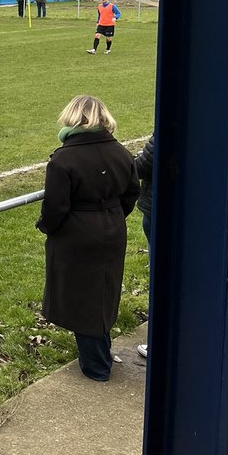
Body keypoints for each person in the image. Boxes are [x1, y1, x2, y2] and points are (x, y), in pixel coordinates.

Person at [36, 95, 139, 382]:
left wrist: (47, 227)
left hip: (77, 237)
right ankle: (99, 355)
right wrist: (112, 216)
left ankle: (96, 366)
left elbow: (55, 207)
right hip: (112, 230)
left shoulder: (63, 159)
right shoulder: (121, 153)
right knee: (103, 293)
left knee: (82, 299)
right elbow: (131, 192)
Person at [134, 132, 156, 359]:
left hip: (159, 210)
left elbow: (143, 165)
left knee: (161, 277)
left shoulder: (168, 127)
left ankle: (158, 341)